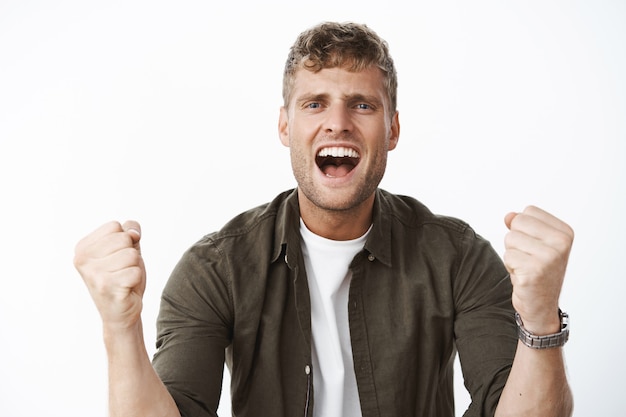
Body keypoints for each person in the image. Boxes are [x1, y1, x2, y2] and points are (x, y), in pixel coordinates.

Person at [74, 21, 574, 417]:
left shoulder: (457, 256)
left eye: (362, 104)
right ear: (285, 126)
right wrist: (120, 329)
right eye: (315, 104)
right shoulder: (216, 268)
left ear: (393, 129)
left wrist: (540, 318)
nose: (338, 122)